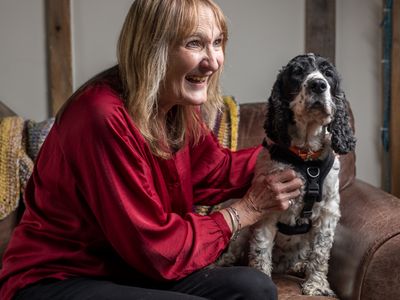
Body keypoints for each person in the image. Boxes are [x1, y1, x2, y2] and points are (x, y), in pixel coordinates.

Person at [0, 0, 302, 299]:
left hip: (127, 270)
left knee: (254, 287)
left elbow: (214, 172)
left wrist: (297, 150)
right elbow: (154, 249)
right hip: (59, 278)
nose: (213, 61)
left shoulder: (175, 103)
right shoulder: (101, 115)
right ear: (152, 47)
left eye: (218, 42)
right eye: (195, 43)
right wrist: (244, 211)